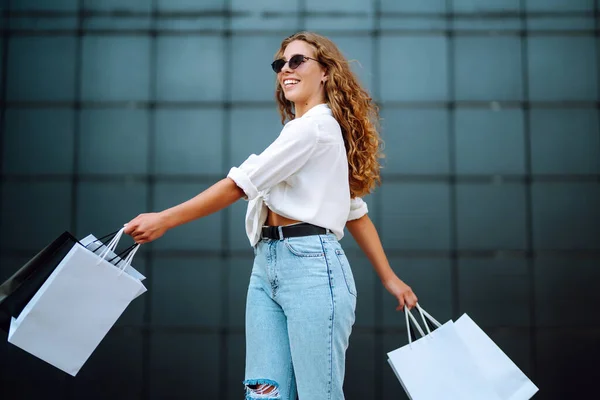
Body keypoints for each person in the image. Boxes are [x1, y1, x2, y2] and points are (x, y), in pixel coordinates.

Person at [124, 31, 418, 400]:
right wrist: (391, 279)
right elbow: (355, 213)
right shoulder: (300, 132)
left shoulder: (316, 128)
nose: (286, 70)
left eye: (298, 61)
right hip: (266, 265)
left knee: (318, 395)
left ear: (326, 71)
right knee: (265, 394)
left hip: (314, 267)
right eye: (281, 64)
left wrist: (164, 219)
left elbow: (238, 185)